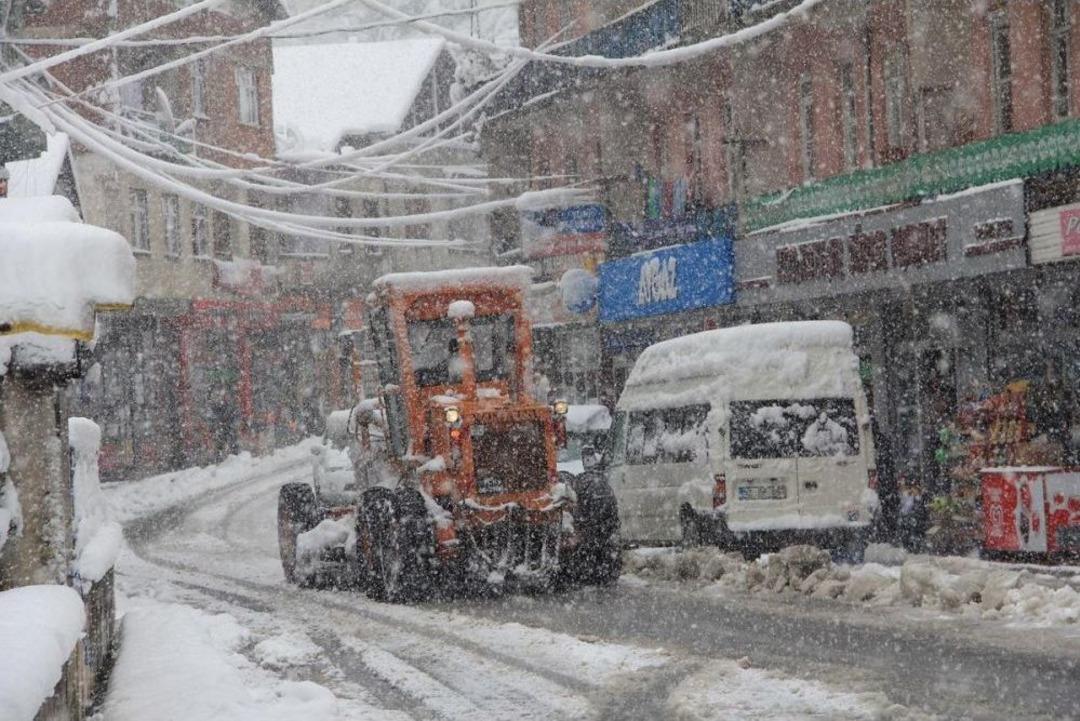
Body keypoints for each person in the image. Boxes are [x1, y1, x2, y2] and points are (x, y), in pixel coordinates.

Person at [898, 478, 927, 552]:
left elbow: (918, 508)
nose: (912, 490)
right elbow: (905, 508)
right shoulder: (909, 497)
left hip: (916, 517)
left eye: (914, 488)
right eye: (912, 488)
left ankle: (914, 545)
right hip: (909, 517)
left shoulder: (919, 498)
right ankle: (908, 544)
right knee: (906, 529)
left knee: (913, 530)